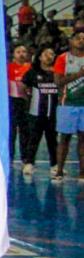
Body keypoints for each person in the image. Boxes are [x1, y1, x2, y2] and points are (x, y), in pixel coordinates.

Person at [52, 29, 84, 182]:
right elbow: (58, 82)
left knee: (83, 139)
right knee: (64, 138)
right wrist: (79, 75)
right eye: (78, 38)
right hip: (67, 104)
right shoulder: (63, 58)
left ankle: (82, 172)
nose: (81, 40)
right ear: (71, 41)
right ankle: (59, 171)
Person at [22, 46, 59, 175]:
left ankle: (54, 165)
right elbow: (23, 86)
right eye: (47, 54)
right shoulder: (32, 72)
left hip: (53, 113)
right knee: (34, 138)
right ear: (40, 57)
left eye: (52, 53)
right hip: (36, 113)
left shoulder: (57, 72)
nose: (50, 56)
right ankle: (29, 163)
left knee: (52, 140)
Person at [8, 44, 32, 166]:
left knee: (25, 131)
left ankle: (25, 158)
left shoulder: (30, 68)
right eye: (18, 52)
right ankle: (9, 157)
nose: (21, 54)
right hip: (12, 102)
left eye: (24, 51)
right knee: (11, 131)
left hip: (26, 103)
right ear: (14, 54)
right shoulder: (8, 68)